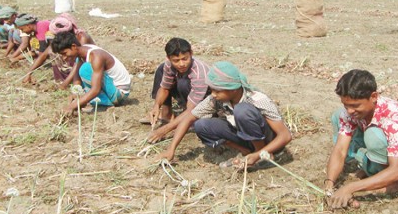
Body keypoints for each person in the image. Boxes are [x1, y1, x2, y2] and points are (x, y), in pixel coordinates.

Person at [325, 69, 398, 209]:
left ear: (374, 96)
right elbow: (340, 150)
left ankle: (396, 183)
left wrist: (350, 188)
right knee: (338, 115)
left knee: (373, 135)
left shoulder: (393, 117)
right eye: (346, 105)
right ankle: (373, 171)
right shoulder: (350, 112)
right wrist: (329, 185)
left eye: (356, 105)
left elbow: (397, 170)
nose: (350, 110)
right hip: (387, 153)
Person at [157, 62, 291, 169]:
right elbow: (189, 118)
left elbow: (285, 136)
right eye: (212, 90)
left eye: (217, 90)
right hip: (245, 136)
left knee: (242, 111)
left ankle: (263, 155)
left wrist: (258, 154)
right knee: (201, 125)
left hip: (267, 140)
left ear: (233, 88)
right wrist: (171, 149)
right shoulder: (215, 99)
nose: (213, 94)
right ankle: (246, 152)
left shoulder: (257, 100)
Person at [145, 38, 211, 142]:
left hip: (203, 102)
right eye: (176, 60)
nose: (181, 64)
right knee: (161, 70)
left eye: (185, 59)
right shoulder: (168, 64)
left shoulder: (199, 73)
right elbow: (164, 88)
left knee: (183, 83)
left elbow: (191, 111)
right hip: (187, 95)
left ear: (191, 54)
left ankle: (186, 123)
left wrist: (163, 130)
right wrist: (156, 106)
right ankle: (167, 115)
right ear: (169, 58)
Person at [51, 31, 131, 114]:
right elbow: (76, 77)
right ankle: (94, 100)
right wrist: (76, 93)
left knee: (85, 69)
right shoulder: (82, 52)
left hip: (119, 94)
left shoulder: (96, 56)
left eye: (65, 53)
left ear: (74, 46)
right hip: (111, 88)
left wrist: (72, 106)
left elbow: (95, 89)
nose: (64, 58)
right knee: (81, 66)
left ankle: (103, 103)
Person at [22, 14, 93, 85]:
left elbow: (79, 62)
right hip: (74, 69)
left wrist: (65, 84)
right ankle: (60, 80)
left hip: (88, 68)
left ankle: (71, 82)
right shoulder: (61, 40)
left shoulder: (82, 37)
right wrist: (29, 73)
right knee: (53, 52)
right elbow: (44, 55)